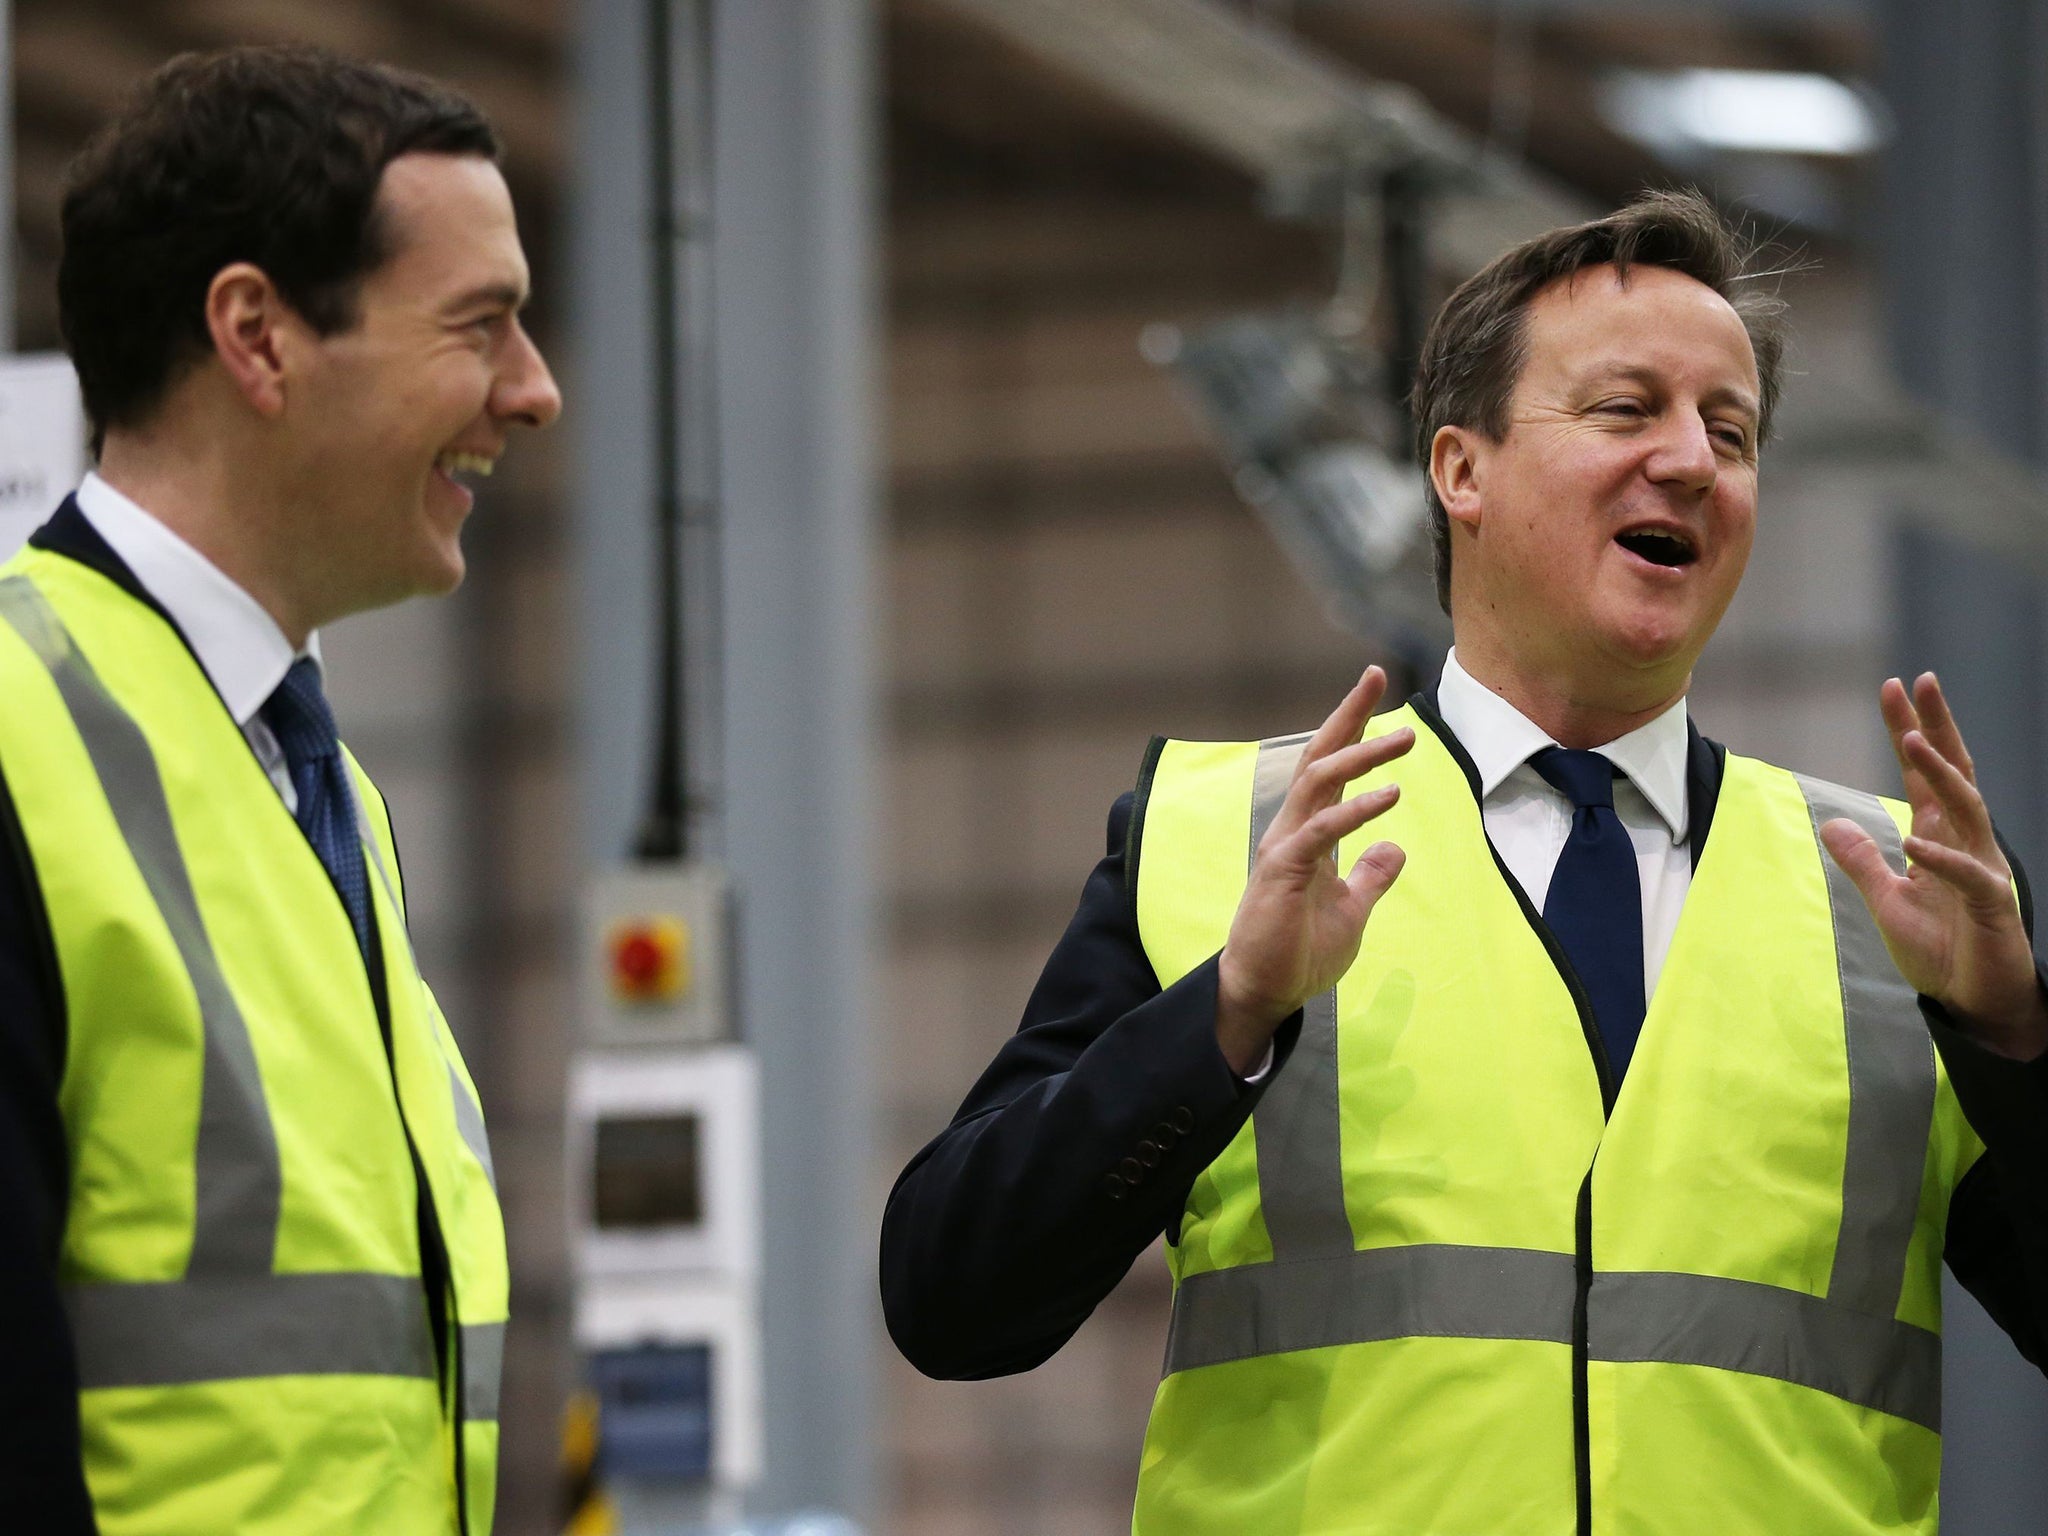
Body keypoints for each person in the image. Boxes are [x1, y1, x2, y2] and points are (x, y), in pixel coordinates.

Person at [880, 191, 2048, 1534]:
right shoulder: (1228, 840)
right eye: (1626, 410)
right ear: (1460, 471)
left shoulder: (1898, 900)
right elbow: (949, 1300)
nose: (1691, 461)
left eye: (1730, 432)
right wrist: (1223, 1019)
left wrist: (2014, 1042)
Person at [0, 46, 561, 1534]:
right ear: (256, 336)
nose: (536, 392)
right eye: (482, 325)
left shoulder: (306, 781)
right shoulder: (16, 723)